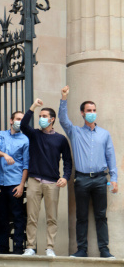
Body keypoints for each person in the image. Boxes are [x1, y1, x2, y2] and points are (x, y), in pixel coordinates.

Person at [59, 86, 118, 258]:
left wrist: (113, 178)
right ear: (82, 114)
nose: (92, 113)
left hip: (101, 179)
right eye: (89, 110)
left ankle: (104, 250)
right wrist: (64, 98)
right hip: (81, 179)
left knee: (101, 216)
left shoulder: (104, 134)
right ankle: (82, 250)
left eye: (94, 110)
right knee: (82, 216)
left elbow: (111, 157)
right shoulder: (75, 132)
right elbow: (63, 120)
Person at [21, 98, 72, 257]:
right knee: (32, 217)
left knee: (52, 218)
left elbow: (68, 161)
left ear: (52, 119)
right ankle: (30, 247)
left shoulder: (61, 139)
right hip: (34, 180)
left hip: (52, 183)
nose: (41, 118)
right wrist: (33, 106)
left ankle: (50, 247)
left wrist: (65, 177)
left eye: (44, 116)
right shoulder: (34, 134)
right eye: (40, 115)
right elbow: (23, 125)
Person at [0, 111, 29, 254]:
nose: (20, 121)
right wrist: (5, 154)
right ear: (11, 120)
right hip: (0, 183)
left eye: (22, 119)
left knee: (18, 216)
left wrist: (21, 185)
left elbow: (26, 164)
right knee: (2, 216)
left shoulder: (25, 139)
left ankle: (18, 248)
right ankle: (3, 247)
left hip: (15, 182)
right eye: (18, 119)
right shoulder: (1, 134)